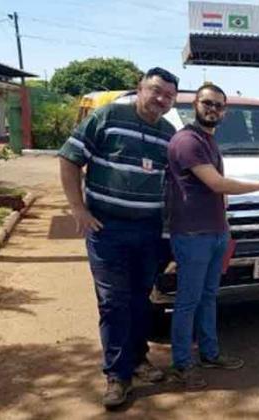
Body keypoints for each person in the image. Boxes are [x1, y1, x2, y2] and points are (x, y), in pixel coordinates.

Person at [58, 67, 179, 408]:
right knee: (114, 302)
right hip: (106, 228)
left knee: (141, 299)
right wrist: (78, 210)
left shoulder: (169, 134)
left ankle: (138, 360)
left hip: (148, 230)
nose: (161, 99)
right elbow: (70, 159)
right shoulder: (108, 116)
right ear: (140, 88)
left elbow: (172, 184)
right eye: (156, 90)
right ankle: (117, 375)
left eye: (168, 95)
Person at [166, 83, 259, 388]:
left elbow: (219, 197)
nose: (212, 109)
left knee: (209, 297)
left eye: (218, 105)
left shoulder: (208, 141)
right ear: (195, 106)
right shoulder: (187, 141)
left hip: (215, 231)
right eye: (207, 103)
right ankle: (181, 363)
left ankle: (209, 353)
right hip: (193, 233)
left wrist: (225, 228)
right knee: (188, 301)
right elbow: (217, 184)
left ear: (224, 111)